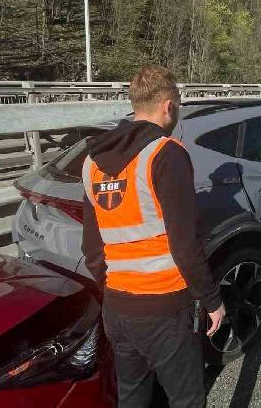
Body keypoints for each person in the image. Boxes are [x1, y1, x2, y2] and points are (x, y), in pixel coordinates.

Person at [81, 65, 225, 408]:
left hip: (116, 308)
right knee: (187, 399)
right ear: (168, 106)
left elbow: (91, 248)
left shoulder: (91, 162)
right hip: (164, 309)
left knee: (132, 396)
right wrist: (212, 300)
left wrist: (116, 288)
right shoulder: (166, 154)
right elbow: (185, 244)